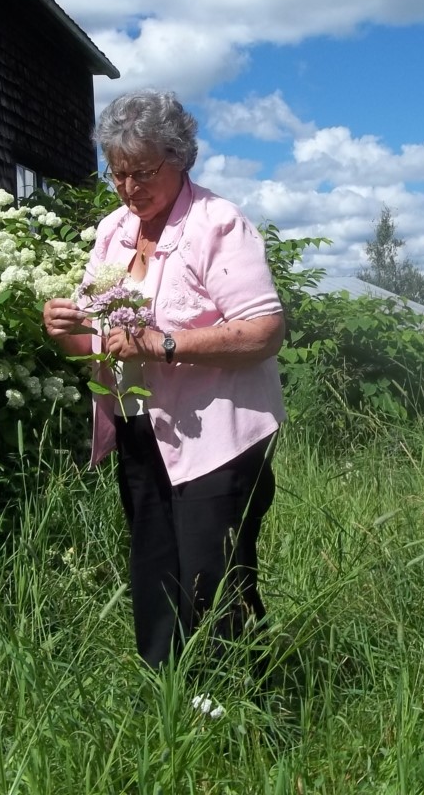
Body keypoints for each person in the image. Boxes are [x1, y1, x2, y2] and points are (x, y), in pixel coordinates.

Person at [43, 89, 286, 671]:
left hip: (218, 439)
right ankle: (169, 694)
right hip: (139, 427)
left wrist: (165, 342)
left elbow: (264, 331)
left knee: (213, 574)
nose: (129, 188)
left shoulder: (216, 224)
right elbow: (94, 342)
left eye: (143, 171)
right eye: (117, 173)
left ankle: (241, 703)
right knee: (154, 568)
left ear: (181, 158)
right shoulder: (113, 232)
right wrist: (60, 331)